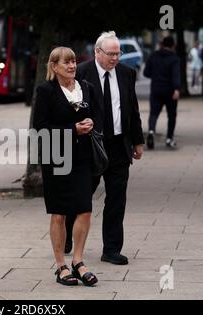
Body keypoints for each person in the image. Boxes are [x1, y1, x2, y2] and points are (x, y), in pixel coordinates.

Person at [65, 31, 145, 265]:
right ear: (97, 52)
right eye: (110, 54)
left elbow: (133, 110)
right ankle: (68, 231)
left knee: (117, 199)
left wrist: (137, 141)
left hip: (119, 145)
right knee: (82, 195)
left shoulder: (126, 74)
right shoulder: (81, 73)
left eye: (118, 53)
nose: (115, 58)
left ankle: (111, 248)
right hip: (90, 145)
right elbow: (67, 107)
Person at [33, 46, 100, 287]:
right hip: (56, 159)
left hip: (83, 158)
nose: (72, 66)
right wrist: (72, 130)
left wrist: (92, 121)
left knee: (84, 209)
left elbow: (98, 117)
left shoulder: (87, 89)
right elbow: (39, 129)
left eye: (73, 61)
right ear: (54, 67)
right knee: (59, 213)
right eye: (66, 63)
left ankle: (78, 261)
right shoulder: (45, 92)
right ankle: (61, 265)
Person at [144, 36, 181, 149]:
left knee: (154, 113)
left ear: (162, 44)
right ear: (172, 45)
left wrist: (155, 75)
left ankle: (151, 131)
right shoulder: (174, 58)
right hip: (170, 91)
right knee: (172, 115)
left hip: (156, 89)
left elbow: (146, 72)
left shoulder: (153, 55)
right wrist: (176, 89)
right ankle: (169, 138)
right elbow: (175, 74)